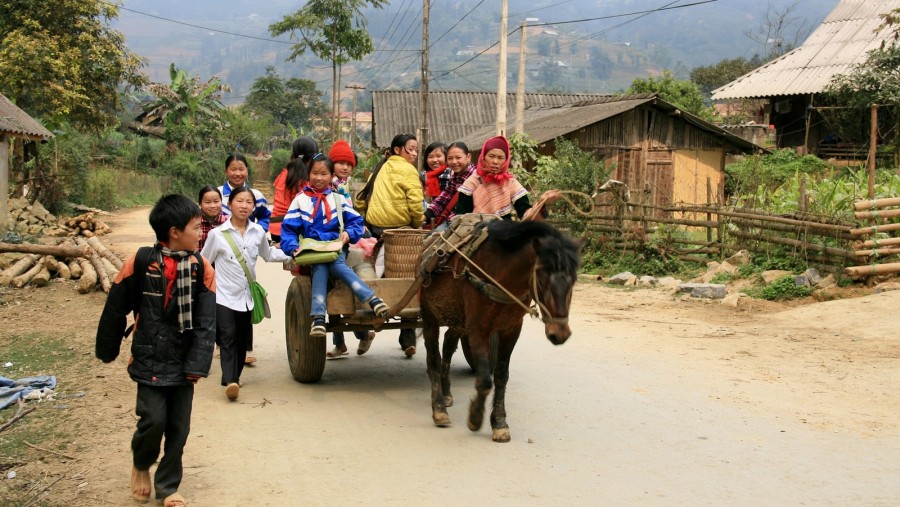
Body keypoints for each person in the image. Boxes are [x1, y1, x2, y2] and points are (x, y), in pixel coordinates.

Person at [95, 194, 216, 507]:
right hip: (149, 357)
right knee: (152, 420)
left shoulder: (202, 268)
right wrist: (107, 348)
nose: (200, 232)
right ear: (174, 232)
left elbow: (206, 323)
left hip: (183, 361)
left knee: (179, 427)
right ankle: (141, 463)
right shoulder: (140, 261)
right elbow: (115, 307)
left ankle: (167, 486)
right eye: (194, 226)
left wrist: (198, 364)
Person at [281, 154, 390, 343]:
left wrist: (348, 233)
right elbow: (288, 229)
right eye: (315, 173)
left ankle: (318, 318)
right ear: (308, 174)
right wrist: (293, 248)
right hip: (313, 249)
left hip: (337, 247)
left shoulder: (339, 199)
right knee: (325, 265)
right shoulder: (300, 200)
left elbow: (357, 222)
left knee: (328, 263)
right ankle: (372, 299)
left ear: (331, 175)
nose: (319, 178)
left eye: (324, 173)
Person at [201, 187, 290, 401]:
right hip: (222, 295)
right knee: (228, 336)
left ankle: (234, 377)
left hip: (246, 297)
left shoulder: (258, 232)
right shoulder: (217, 234)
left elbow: (268, 255)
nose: (244, 205)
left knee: (242, 339)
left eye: (248, 202)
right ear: (230, 204)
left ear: (253, 207)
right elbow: (203, 261)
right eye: (239, 201)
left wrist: (293, 255)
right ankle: (230, 379)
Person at [354, 133, 424, 357]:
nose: (413, 154)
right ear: (397, 150)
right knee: (410, 280)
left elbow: (361, 199)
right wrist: (418, 224)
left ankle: (364, 330)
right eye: (409, 149)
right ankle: (407, 337)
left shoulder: (379, 168)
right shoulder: (408, 170)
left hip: (374, 230)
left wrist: (365, 220)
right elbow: (415, 202)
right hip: (402, 233)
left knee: (369, 276)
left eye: (415, 150)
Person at [328, 140, 376, 357]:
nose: (345, 167)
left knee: (339, 288)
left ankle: (358, 336)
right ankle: (348, 340)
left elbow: (348, 209)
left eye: (348, 164)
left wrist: (357, 224)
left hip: (343, 239)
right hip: (333, 236)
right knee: (337, 288)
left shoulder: (343, 184)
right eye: (340, 163)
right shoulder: (331, 183)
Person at [456, 135, 561, 220]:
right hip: (475, 235)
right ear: (483, 157)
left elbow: (525, 214)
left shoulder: (510, 183)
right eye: (491, 156)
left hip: (504, 234)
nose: (495, 162)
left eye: (501, 157)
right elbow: (462, 217)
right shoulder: (472, 182)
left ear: (506, 160)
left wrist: (541, 202)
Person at [271, 136, 317, 244]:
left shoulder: (285, 172)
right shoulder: (307, 178)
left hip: (275, 228)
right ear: (313, 156)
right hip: (292, 228)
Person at [424, 141, 476, 231]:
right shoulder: (454, 177)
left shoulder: (476, 177)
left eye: (458, 157)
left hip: (469, 225)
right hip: (451, 221)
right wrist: (425, 216)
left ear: (468, 157)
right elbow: (443, 199)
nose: (454, 162)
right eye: (450, 158)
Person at [218, 153, 271, 232]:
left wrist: (258, 231)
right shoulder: (217, 194)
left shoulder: (256, 195)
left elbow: (266, 216)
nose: (238, 174)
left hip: (249, 243)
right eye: (233, 169)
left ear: (247, 170)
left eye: (241, 169)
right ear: (226, 171)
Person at [198, 186, 226, 252]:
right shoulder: (194, 223)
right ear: (200, 204)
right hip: (197, 261)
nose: (212, 206)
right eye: (207, 202)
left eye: (216, 201)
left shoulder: (227, 223)